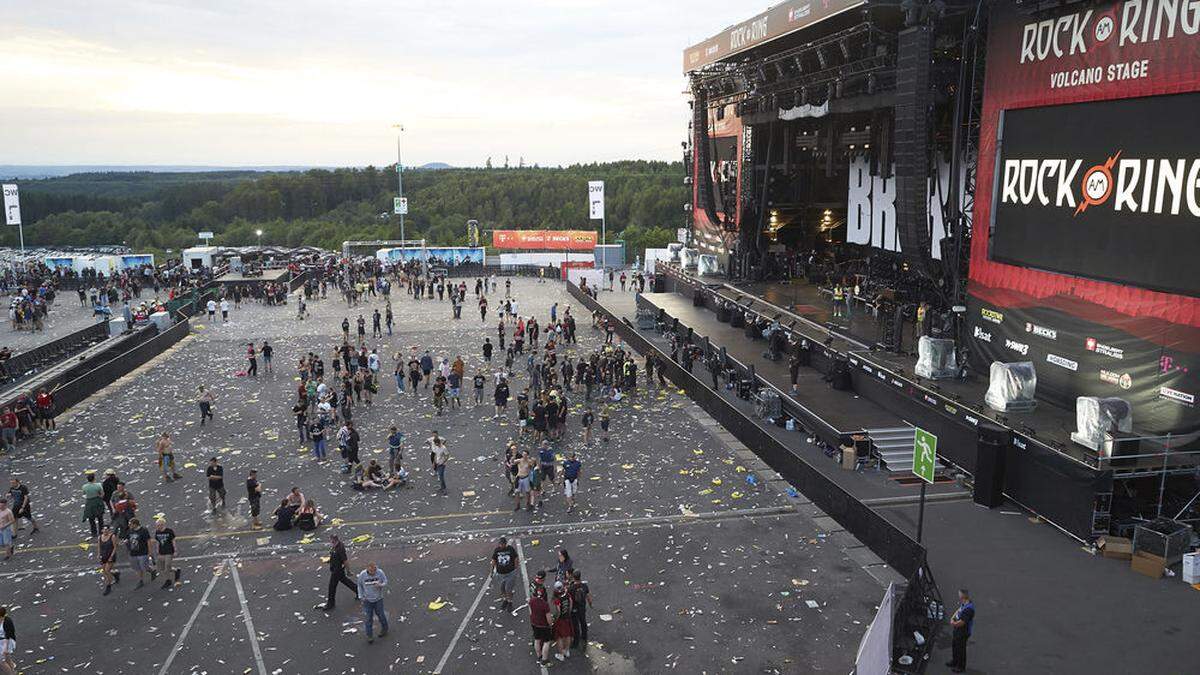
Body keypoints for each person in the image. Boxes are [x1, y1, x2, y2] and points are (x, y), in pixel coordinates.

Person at [318, 534, 358, 611]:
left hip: (337, 570)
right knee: (345, 581)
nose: (331, 542)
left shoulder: (340, 548)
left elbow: (345, 561)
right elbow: (333, 555)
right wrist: (329, 561)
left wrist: (348, 571)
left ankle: (331, 603)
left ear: (335, 540)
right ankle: (358, 591)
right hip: (335, 568)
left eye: (332, 541)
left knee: (332, 587)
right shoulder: (335, 546)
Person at [357, 562, 389, 643]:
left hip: (378, 599)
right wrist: (361, 596)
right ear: (367, 569)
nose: (373, 573)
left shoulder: (380, 572)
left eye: (374, 571)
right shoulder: (362, 575)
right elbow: (359, 585)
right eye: (371, 571)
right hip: (367, 600)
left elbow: (385, 581)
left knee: (381, 615)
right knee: (368, 618)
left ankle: (385, 629)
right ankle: (369, 636)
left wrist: (381, 585)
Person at [947, 588, 975, 673]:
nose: (958, 596)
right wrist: (952, 617)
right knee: (955, 645)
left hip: (963, 632)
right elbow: (958, 610)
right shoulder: (964, 603)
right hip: (958, 630)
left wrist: (953, 623)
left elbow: (962, 623)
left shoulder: (969, 609)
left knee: (961, 649)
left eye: (959, 594)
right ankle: (955, 661)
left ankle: (960, 666)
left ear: (963, 596)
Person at [491, 536, 519, 612]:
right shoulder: (497, 550)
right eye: (500, 544)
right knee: (502, 588)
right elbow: (493, 560)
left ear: (505, 544)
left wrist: (516, 568)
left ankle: (510, 602)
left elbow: (516, 557)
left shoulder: (510, 549)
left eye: (502, 544)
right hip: (500, 574)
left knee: (508, 589)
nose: (501, 545)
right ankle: (505, 600)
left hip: (510, 573)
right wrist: (492, 571)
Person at [529, 583, 554, 667]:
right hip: (543, 625)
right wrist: (551, 624)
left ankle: (539, 656)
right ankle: (544, 660)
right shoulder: (544, 604)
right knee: (547, 642)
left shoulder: (532, 600)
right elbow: (548, 618)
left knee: (537, 639)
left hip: (534, 623)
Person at [126, 518, 155, 589]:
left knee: (144, 566)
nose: (129, 525)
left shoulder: (143, 531)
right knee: (137, 567)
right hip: (133, 552)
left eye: (130, 524)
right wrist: (126, 541)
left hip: (143, 552)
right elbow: (128, 538)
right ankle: (140, 580)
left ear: (135, 524)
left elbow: (148, 541)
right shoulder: (130, 531)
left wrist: (150, 551)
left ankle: (151, 571)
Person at [151, 519, 179, 590]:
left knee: (167, 567)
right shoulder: (157, 532)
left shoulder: (169, 531)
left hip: (169, 551)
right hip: (161, 552)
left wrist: (175, 550)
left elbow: (173, 541)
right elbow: (157, 542)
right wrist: (157, 550)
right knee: (163, 568)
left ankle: (168, 580)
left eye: (158, 525)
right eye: (157, 526)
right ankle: (176, 570)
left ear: (162, 524)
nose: (157, 527)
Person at [551, 580, 574, 660]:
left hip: (561, 620)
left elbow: (558, 611)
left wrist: (555, 619)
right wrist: (568, 613)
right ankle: (567, 651)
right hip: (567, 617)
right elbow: (571, 604)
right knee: (568, 634)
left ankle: (561, 654)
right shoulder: (567, 595)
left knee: (559, 637)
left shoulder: (557, 599)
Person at [569, 569, 592, 650]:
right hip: (582, 608)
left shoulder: (571, 588)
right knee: (583, 622)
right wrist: (590, 604)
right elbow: (588, 596)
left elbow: (570, 600)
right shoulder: (584, 586)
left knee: (575, 625)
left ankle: (576, 642)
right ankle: (584, 638)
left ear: (573, 577)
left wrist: (569, 609)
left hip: (574, 610)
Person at [97, 526, 120, 595]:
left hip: (110, 556)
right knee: (105, 571)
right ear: (102, 530)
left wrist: (111, 556)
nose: (105, 531)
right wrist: (98, 554)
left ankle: (108, 586)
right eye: (104, 529)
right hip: (103, 555)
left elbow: (115, 547)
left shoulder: (112, 537)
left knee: (107, 570)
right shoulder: (100, 537)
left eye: (107, 529)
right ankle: (115, 574)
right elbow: (99, 546)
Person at [82, 472, 105, 538]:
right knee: (100, 518)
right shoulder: (98, 485)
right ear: (94, 478)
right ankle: (101, 531)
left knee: (91, 519)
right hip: (97, 502)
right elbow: (102, 494)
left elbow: (84, 493)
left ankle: (94, 532)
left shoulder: (84, 486)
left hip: (89, 503)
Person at [0, 606, 16, 675]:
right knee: (7, 658)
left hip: (8, 642)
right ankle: (13, 671)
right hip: (1, 641)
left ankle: (11, 673)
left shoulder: (7, 621)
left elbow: (8, 636)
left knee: (1, 661)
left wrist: (5, 648)